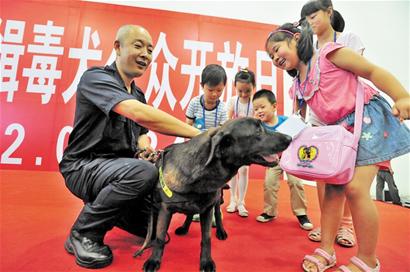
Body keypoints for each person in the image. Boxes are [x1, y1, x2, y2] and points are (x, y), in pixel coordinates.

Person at [265, 21, 410, 271]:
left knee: (355, 190)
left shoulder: (329, 53)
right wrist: (274, 144)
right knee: (332, 192)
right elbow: (298, 120)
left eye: (277, 49)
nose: (275, 57)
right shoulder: (298, 85)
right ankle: (327, 250)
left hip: (368, 121)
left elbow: (372, 72)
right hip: (339, 136)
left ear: (297, 38)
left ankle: (367, 260)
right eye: (271, 56)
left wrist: (402, 96)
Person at [59, 25, 200, 269]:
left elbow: (142, 133)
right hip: (83, 167)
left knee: (155, 217)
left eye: (150, 49)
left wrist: (144, 149)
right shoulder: (96, 78)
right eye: (138, 46)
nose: (145, 54)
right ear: (117, 47)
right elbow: (138, 114)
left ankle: (110, 208)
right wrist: (198, 134)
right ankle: (83, 233)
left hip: (117, 169)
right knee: (142, 173)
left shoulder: (138, 93)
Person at [300, 0, 365, 248]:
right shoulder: (308, 47)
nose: (310, 21)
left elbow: (354, 72)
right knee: (322, 172)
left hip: (347, 115)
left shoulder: (348, 38)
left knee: (345, 173)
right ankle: (326, 223)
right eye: (306, 18)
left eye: (314, 15)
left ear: (329, 12)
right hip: (318, 118)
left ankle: (346, 226)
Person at [252, 89, 313, 230]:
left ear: (274, 106)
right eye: (256, 109)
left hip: (290, 159)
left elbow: (301, 134)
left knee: (295, 182)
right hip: (273, 162)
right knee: (269, 183)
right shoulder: (259, 127)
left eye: (262, 107)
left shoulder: (286, 121)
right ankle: (270, 212)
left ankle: (301, 214)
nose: (259, 111)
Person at [185, 63, 228, 224]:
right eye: (211, 90)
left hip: (214, 151)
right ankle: (198, 210)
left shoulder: (222, 108)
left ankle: (217, 213)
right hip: (197, 150)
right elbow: (186, 126)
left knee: (217, 183)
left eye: (219, 90)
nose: (215, 94)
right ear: (202, 86)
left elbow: (223, 131)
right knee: (198, 181)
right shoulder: (194, 103)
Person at [225, 68, 255, 217]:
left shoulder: (255, 103)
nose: (243, 94)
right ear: (235, 88)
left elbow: (258, 123)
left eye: (247, 91)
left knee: (244, 170)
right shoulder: (232, 101)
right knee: (232, 170)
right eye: (240, 91)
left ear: (253, 87)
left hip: (247, 142)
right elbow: (226, 120)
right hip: (233, 141)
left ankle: (241, 201)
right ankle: (232, 199)